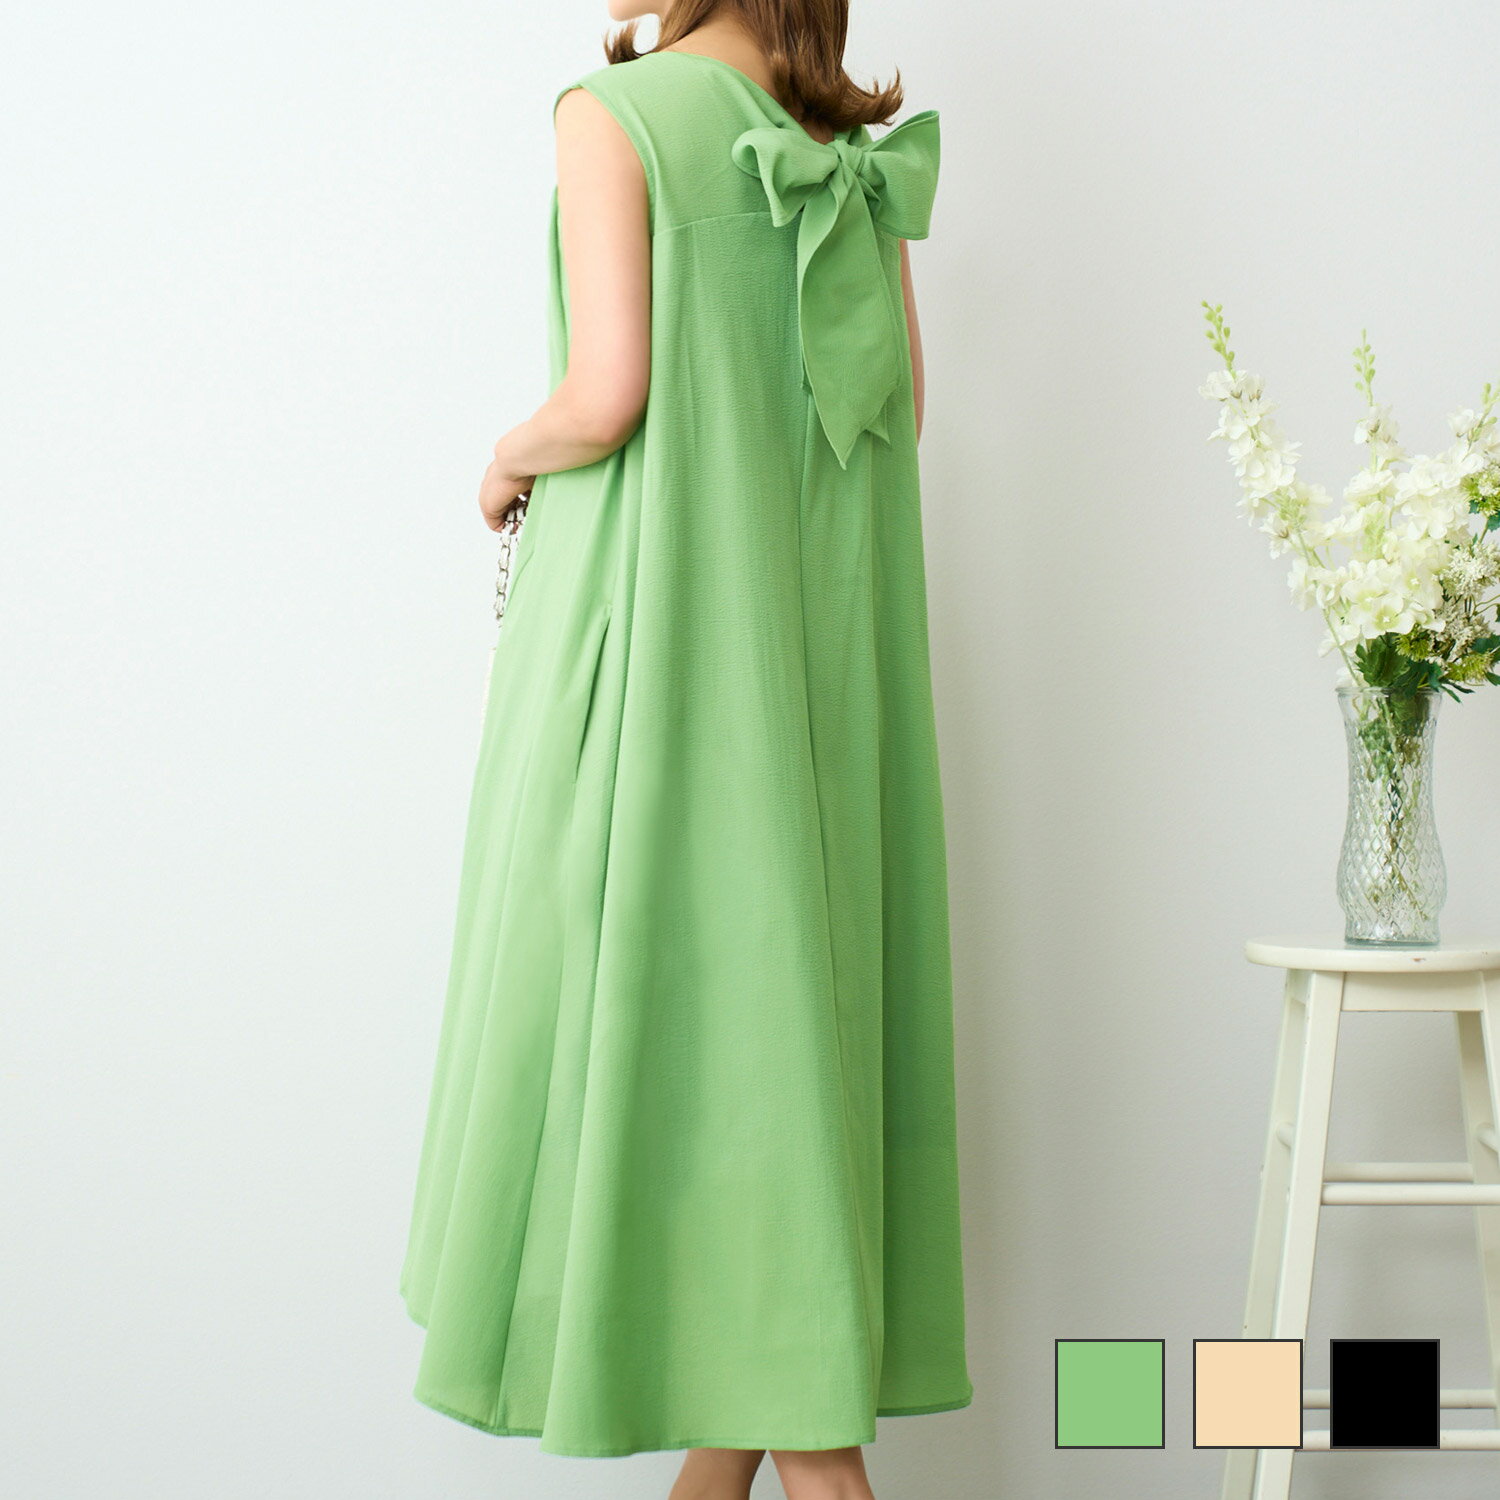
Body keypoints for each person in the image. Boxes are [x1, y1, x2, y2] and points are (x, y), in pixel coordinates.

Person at [399, 3, 971, 1495]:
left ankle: (815, 1458)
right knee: (778, 1031)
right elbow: (901, 403)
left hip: (661, 643)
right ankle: (731, 1448)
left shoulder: (617, 118)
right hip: (817, 667)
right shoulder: (845, 142)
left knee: (657, 1014)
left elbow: (608, 394)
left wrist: (505, 459)